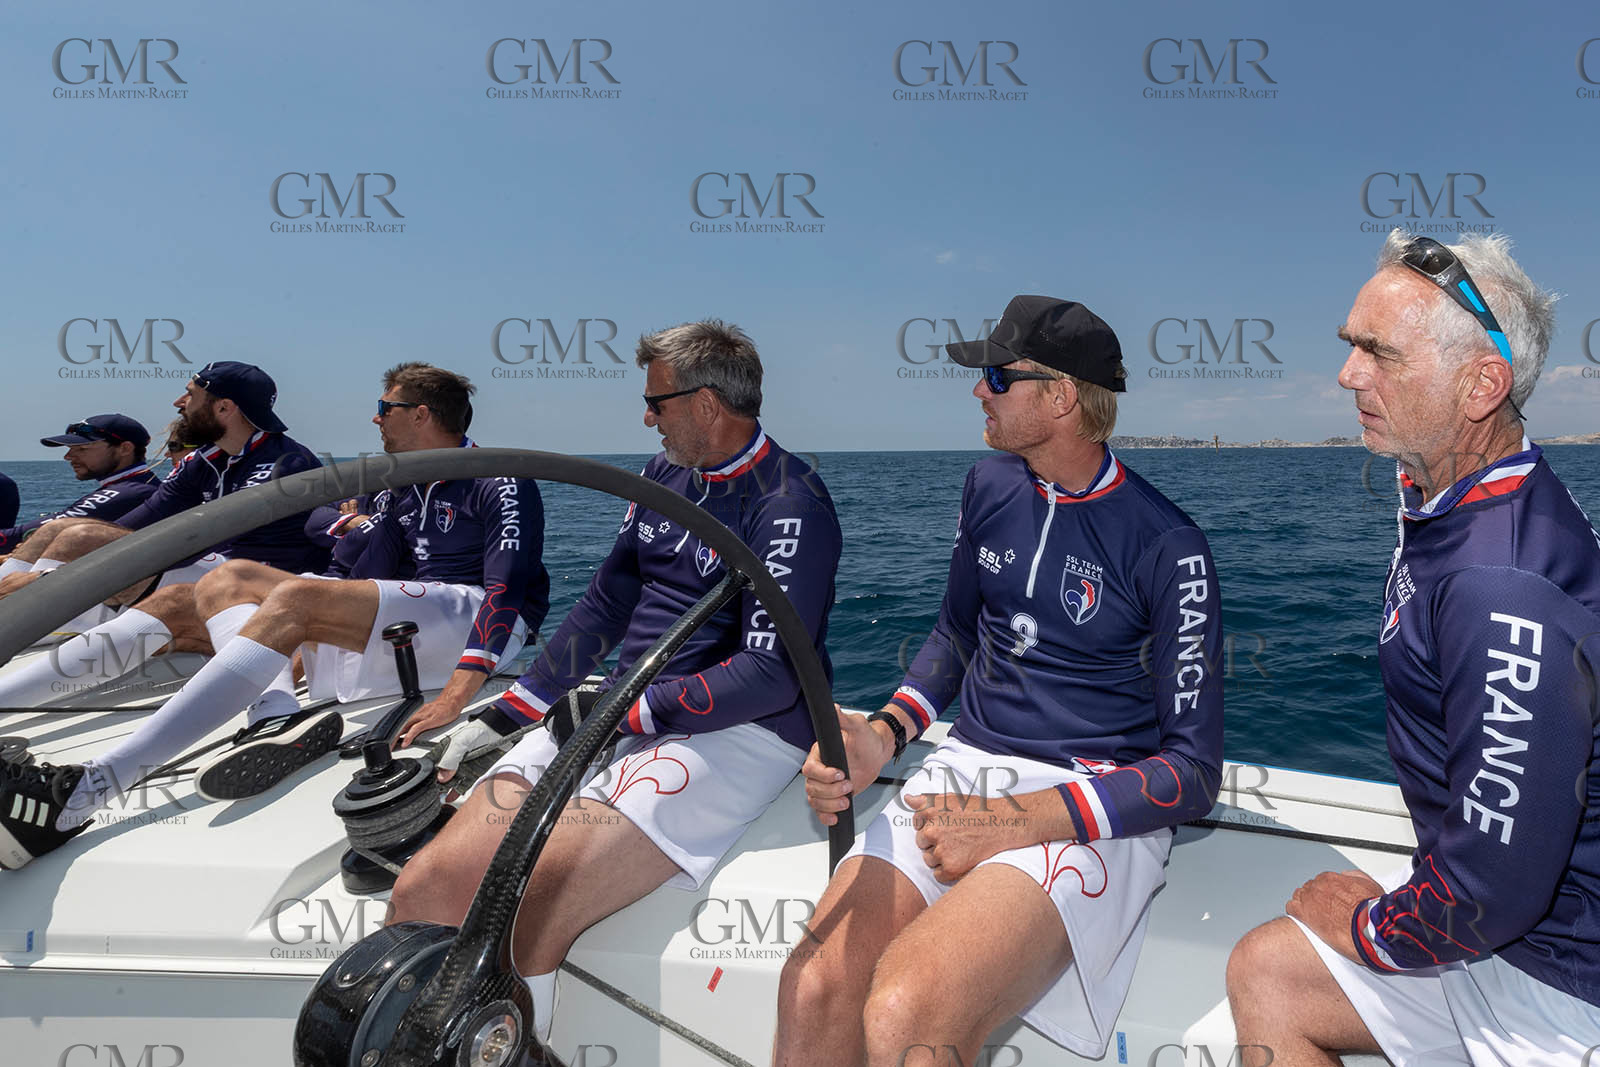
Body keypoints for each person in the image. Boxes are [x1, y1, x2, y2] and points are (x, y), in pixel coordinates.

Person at [774, 296, 1223, 1065]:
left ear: (1062, 396)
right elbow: (955, 633)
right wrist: (883, 733)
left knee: (909, 1008)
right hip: (967, 768)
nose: (979, 389)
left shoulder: (1170, 545)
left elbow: (1192, 773)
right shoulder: (987, 486)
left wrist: (1016, 821)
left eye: (999, 376)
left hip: (1087, 797)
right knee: (814, 983)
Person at [385, 320, 843, 1050]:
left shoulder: (790, 502)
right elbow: (606, 603)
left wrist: (625, 710)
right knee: (425, 885)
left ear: (705, 404)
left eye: (656, 402)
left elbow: (772, 672)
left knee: (537, 897)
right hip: (621, 706)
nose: (647, 418)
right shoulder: (663, 475)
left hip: (740, 727)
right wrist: (517, 709)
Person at [1226, 232, 1600, 1065]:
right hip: (1509, 934)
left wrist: (1365, 925)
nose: (1347, 374)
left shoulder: (1503, 583)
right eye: (1352, 345)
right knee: (1270, 973)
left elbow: (1491, 891)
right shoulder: (1456, 498)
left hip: (1561, 984)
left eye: (1380, 352)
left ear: (1482, 385)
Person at [0, 363, 550, 870]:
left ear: (421, 415)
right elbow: (364, 574)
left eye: (385, 408)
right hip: (417, 616)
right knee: (221, 581)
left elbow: (507, 591)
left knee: (295, 596)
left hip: (480, 619)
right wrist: (313, 629)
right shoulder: (401, 483)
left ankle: (84, 793)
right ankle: (274, 714)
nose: (375, 418)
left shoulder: (498, 479)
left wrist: (456, 695)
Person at [0, 414, 162, 566]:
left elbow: (14, 537)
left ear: (125, 449)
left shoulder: (130, 492)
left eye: (82, 449)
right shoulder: (136, 485)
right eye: (70, 448)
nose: (68, 456)